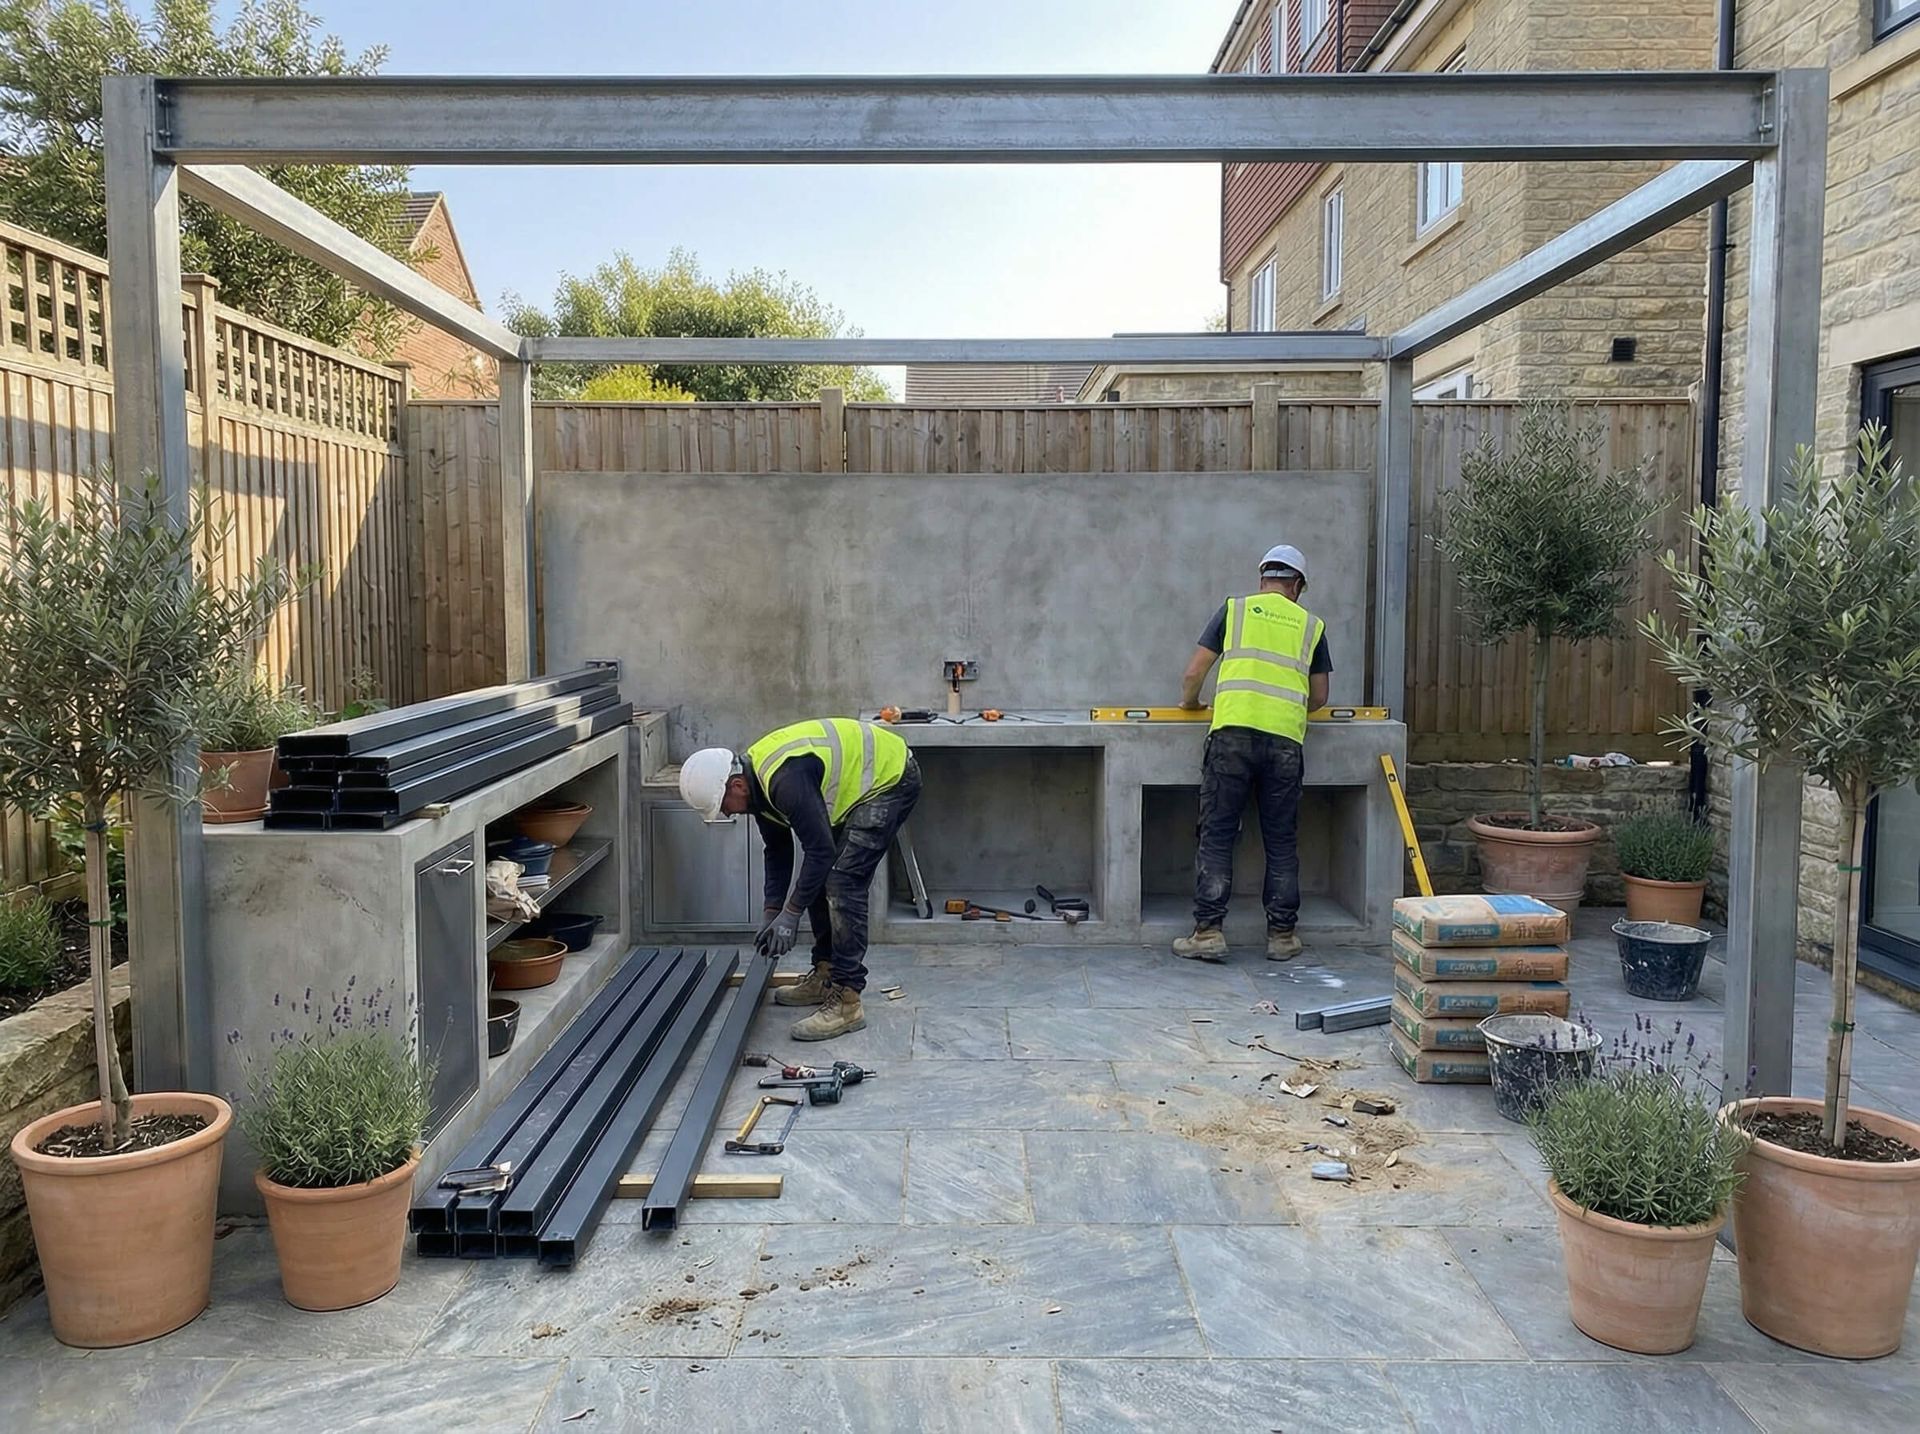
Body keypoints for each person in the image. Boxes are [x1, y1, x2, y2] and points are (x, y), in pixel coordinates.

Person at [679, 717, 921, 1040]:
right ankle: (826, 973)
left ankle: (848, 1001)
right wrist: (772, 912)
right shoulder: (758, 787)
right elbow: (777, 850)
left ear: (736, 786)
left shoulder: (784, 781)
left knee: (842, 881)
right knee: (821, 877)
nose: (726, 813)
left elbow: (820, 852)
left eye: (723, 805)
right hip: (862, 784)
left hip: (890, 778)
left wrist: (791, 915)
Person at [1172, 542, 1331, 963]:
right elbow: (1318, 697)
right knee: (1280, 839)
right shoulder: (1311, 626)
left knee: (1219, 834)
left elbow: (1193, 673)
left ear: (1263, 579)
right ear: (1297, 585)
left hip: (1232, 738)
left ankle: (1208, 933)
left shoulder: (1235, 610)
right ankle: (1282, 936)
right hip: (1284, 745)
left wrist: (1191, 704)